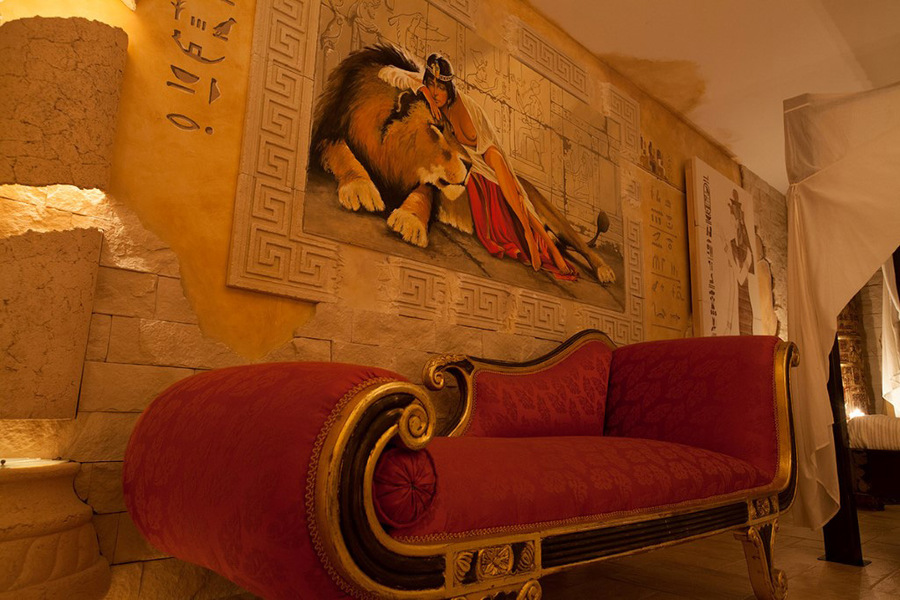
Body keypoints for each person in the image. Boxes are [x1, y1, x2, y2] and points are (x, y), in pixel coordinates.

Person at [379, 53, 576, 279]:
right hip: (473, 158)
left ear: (449, 88)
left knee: (516, 192)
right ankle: (539, 243)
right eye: (431, 84)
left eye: (441, 87)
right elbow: (391, 73)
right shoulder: (430, 96)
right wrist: (423, 91)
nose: (435, 92)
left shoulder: (464, 106)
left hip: (488, 149)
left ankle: (536, 239)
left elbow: (484, 143)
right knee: (508, 190)